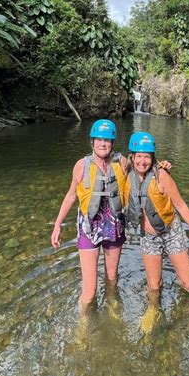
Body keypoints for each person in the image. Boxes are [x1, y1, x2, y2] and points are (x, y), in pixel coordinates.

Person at [123, 131, 189, 331]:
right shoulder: (125, 172)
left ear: (153, 158)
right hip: (148, 237)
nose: (142, 161)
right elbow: (107, 156)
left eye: (147, 156)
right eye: (138, 155)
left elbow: (180, 205)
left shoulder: (161, 175)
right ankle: (153, 309)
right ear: (132, 156)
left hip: (172, 233)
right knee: (154, 286)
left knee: (187, 282)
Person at [51, 119, 127, 313]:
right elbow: (71, 195)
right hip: (88, 228)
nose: (103, 144)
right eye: (99, 139)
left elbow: (144, 167)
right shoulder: (81, 165)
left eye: (107, 140)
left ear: (112, 143)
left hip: (114, 226)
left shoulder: (122, 162)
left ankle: (112, 309)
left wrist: (161, 166)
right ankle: (84, 326)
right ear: (92, 142)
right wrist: (57, 225)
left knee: (111, 277)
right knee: (89, 290)